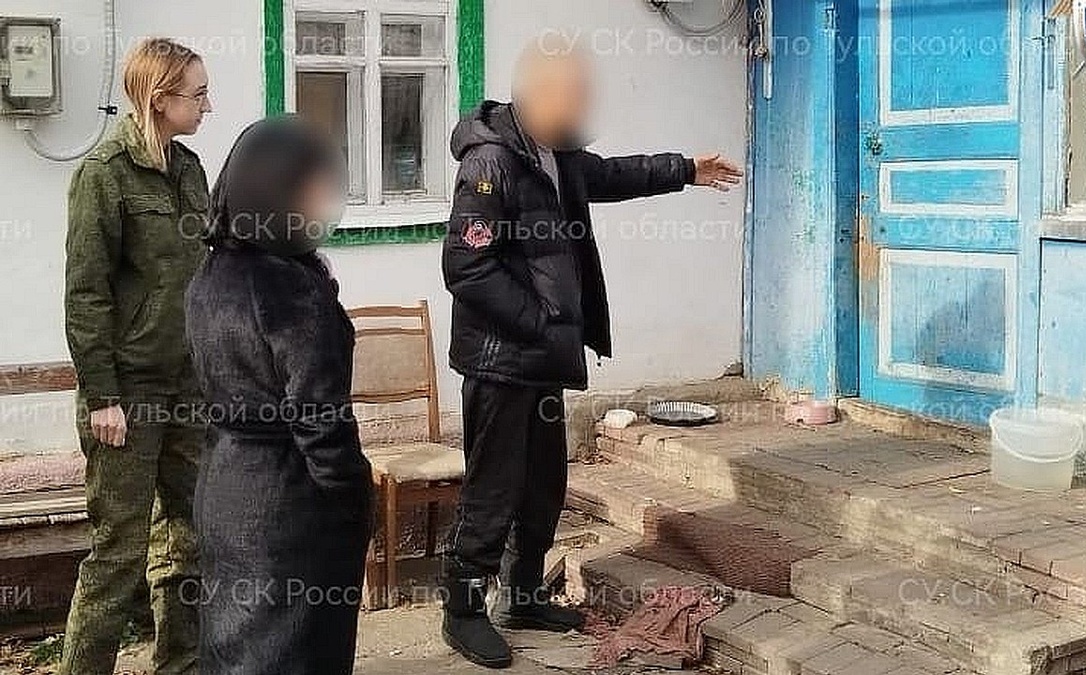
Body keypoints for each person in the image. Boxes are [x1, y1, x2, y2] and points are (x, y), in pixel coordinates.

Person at [440, 37, 743, 668]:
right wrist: (541, 320)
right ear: (533, 97)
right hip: (500, 362)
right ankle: (463, 612)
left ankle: (523, 596)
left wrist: (685, 169)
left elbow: (614, 175)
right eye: (570, 96)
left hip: (541, 362)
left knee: (543, 486)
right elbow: (467, 267)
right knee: (493, 489)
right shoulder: (490, 164)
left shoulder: (556, 155)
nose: (580, 108)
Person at [185, 116, 372, 675]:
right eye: (317, 187)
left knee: (234, 646)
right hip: (290, 505)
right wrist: (352, 499)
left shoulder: (212, 273)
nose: (327, 201)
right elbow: (320, 419)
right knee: (294, 650)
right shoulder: (291, 289)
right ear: (279, 192)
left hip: (225, 485)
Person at [61, 37, 212, 675]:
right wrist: (103, 397)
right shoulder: (104, 174)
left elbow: (207, 268)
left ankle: (182, 664)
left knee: (189, 538)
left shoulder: (190, 169)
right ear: (159, 98)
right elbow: (86, 293)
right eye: (197, 94)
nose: (207, 106)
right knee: (117, 554)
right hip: (127, 395)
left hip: (189, 387)